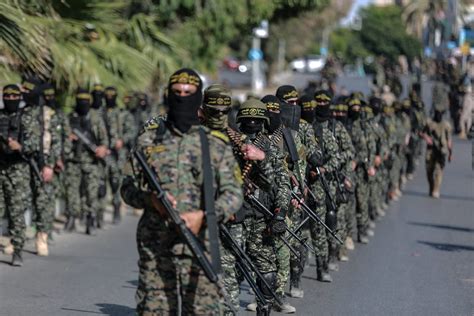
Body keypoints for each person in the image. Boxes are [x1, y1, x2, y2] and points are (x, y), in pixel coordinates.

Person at [121, 68, 243, 315]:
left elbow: (233, 194)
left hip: (200, 243)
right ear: (168, 95)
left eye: (188, 93)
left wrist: (206, 214)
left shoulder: (213, 143)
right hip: (156, 244)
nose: (182, 97)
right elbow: (126, 187)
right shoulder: (148, 141)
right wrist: (150, 199)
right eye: (176, 92)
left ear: (198, 98)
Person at [0, 84, 39, 266]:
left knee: (16, 212)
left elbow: (34, 144)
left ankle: (17, 250)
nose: (11, 99)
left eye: (15, 96)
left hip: (18, 170)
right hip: (1, 167)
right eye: (7, 96)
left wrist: (20, 147)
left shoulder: (26, 118)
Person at [64, 88, 109, 234]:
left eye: (85, 101)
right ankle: (72, 217)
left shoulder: (95, 119)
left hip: (91, 161)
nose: (83, 104)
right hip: (73, 160)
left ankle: (91, 218)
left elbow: (104, 140)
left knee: (91, 192)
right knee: (72, 191)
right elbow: (62, 136)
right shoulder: (70, 118)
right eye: (80, 101)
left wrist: (101, 149)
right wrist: (68, 138)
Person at [421, 108, 453, 198]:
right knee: (429, 170)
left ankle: (436, 189)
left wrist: (450, 153)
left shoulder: (446, 125)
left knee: (439, 171)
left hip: (442, 150)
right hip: (431, 150)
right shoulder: (429, 123)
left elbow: (449, 140)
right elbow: (421, 132)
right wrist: (426, 138)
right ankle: (431, 186)